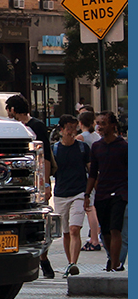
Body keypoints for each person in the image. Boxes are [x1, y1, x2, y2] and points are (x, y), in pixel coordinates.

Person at [6, 94, 55, 277]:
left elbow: (46, 156)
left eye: (9, 109)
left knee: (40, 220)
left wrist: (46, 183)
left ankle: (43, 259)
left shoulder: (37, 126)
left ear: (12, 109)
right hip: (19, 181)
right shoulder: (13, 128)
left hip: (36, 179)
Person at [84, 111, 127, 271]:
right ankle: (112, 258)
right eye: (98, 123)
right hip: (102, 193)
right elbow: (93, 173)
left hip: (120, 192)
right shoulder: (96, 147)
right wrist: (87, 194)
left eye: (103, 123)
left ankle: (115, 264)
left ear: (112, 125)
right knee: (106, 232)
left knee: (116, 228)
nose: (99, 127)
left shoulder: (123, 147)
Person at [51, 115, 88, 276]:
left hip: (79, 192)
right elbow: (49, 171)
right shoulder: (55, 150)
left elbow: (90, 169)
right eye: (69, 128)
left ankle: (73, 262)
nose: (72, 132)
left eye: (75, 128)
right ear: (61, 130)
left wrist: (90, 192)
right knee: (66, 232)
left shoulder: (82, 148)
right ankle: (69, 263)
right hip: (60, 194)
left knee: (74, 229)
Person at [77, 110, 102, 251]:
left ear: (80, 123)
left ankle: (94, 239)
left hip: (88, 175)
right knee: (95, 206)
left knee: (89, 207)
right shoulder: (96, 136)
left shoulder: (81, 138)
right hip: (100, 173)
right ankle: (97, 235)